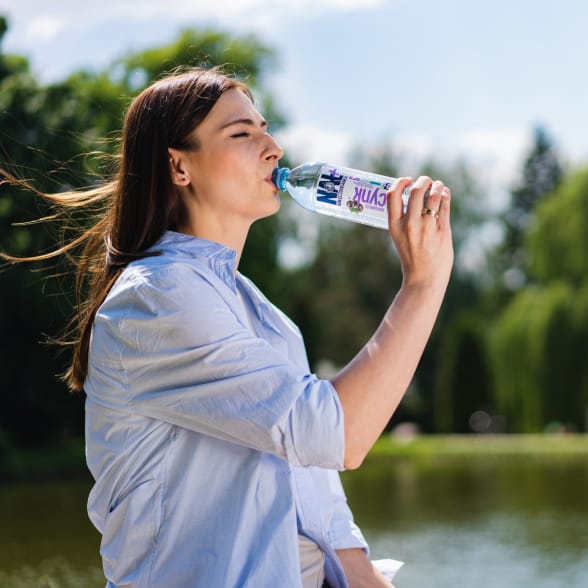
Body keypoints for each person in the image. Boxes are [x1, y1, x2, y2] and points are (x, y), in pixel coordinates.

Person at [1, 66, 453, 587]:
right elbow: (339, 435)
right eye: (242, 133)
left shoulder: (266, 318)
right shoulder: (157, 296)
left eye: (266, 128)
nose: (273, 147)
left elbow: (322, 513)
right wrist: (422, 284)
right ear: (178, 166)